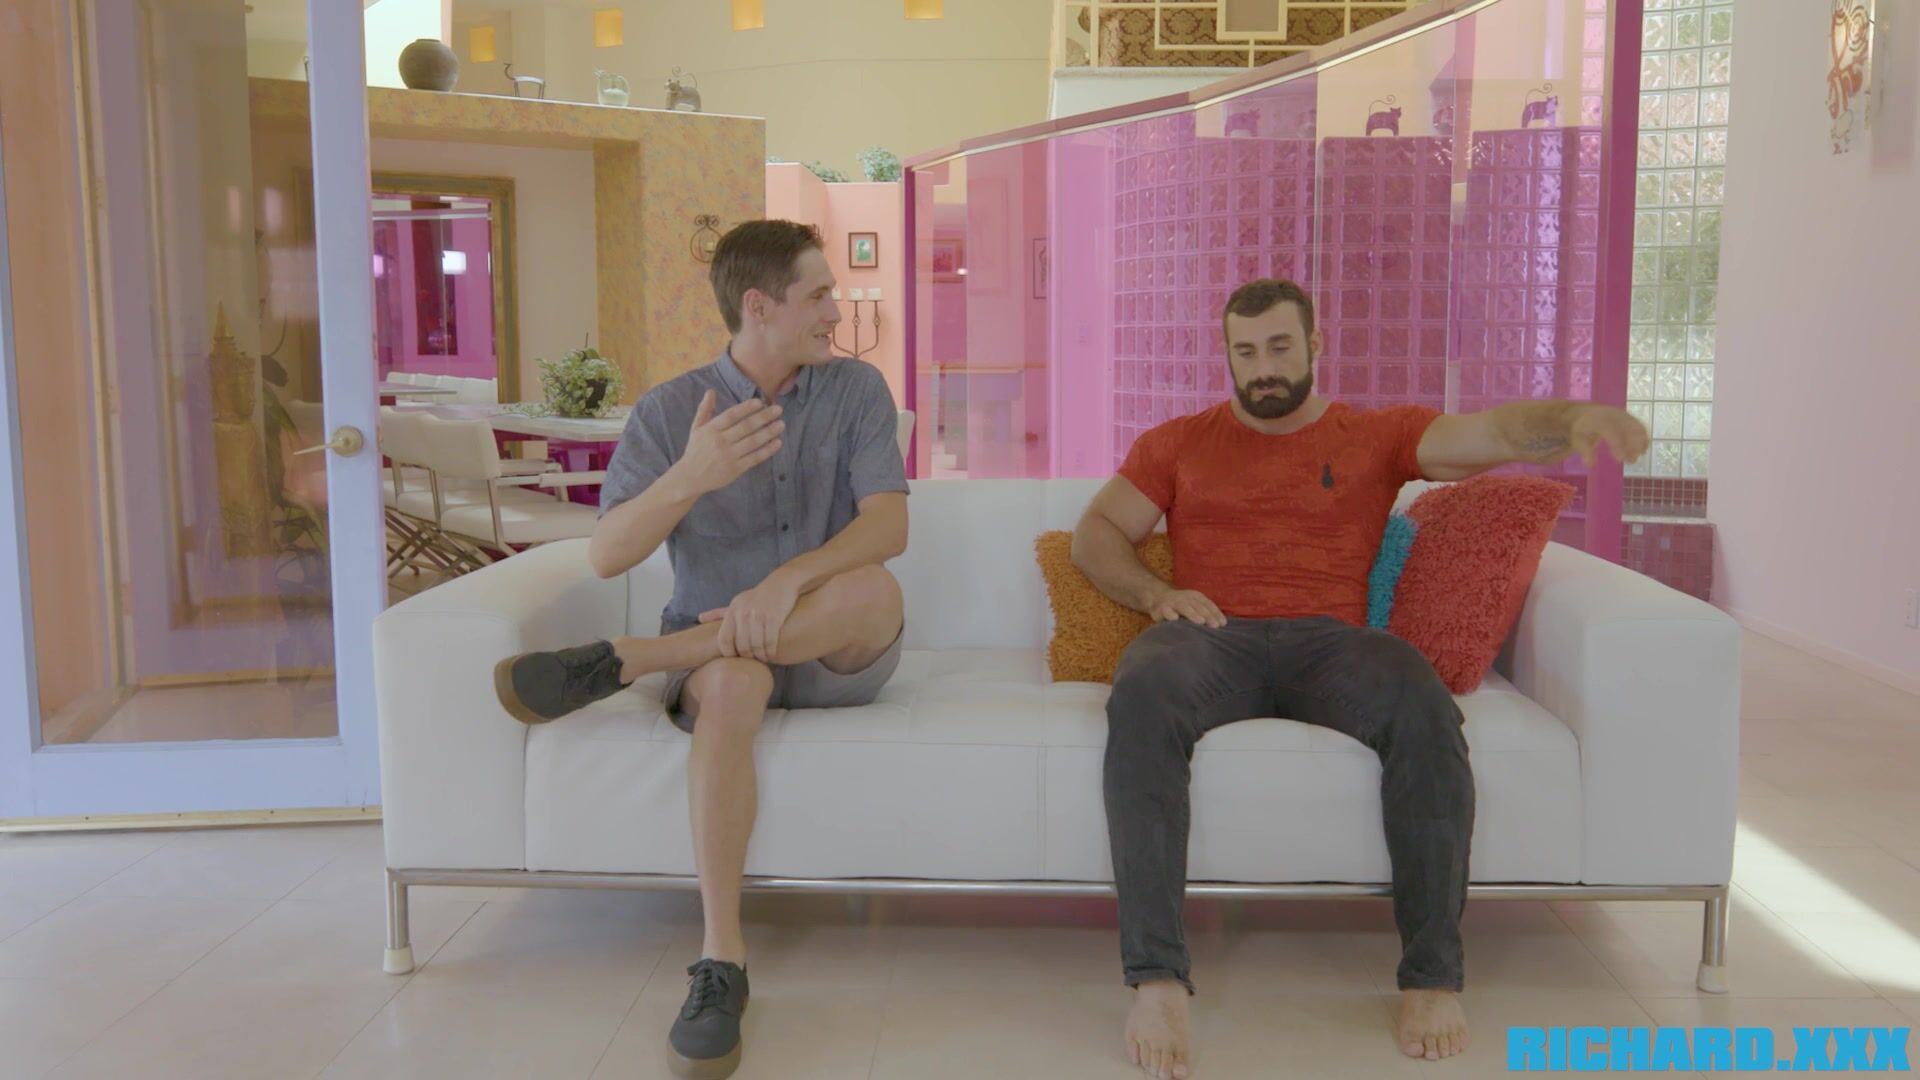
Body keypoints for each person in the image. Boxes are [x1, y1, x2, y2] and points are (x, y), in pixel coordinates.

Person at [1072, 279, 1649, 1079]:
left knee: (1423, 704)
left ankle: (1432, 978)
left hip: (1332, 642)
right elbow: (1098, 530)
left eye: (1280, 347)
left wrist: (1571, 417)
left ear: (1314, 345)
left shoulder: (1375, 435)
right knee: (1140, 693)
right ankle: (1159, 981)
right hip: (1212, 636)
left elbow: (1489, 432)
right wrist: (1153, 594)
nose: (1263, 368)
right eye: (1246, 352)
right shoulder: (1177, 442)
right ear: (1228, 355)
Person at [492, 220, 909, 1080]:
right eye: (819, 295)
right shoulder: (670, 411)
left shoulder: (857, 390)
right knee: (729, 687)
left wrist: (784, 582)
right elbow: (606, 554)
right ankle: (722, 960)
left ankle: (633, 658)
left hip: (830, 648)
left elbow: (888, 527)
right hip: (721, 666)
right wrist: (692, 475)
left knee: (876, 590)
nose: (837, 311)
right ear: (760, 305)